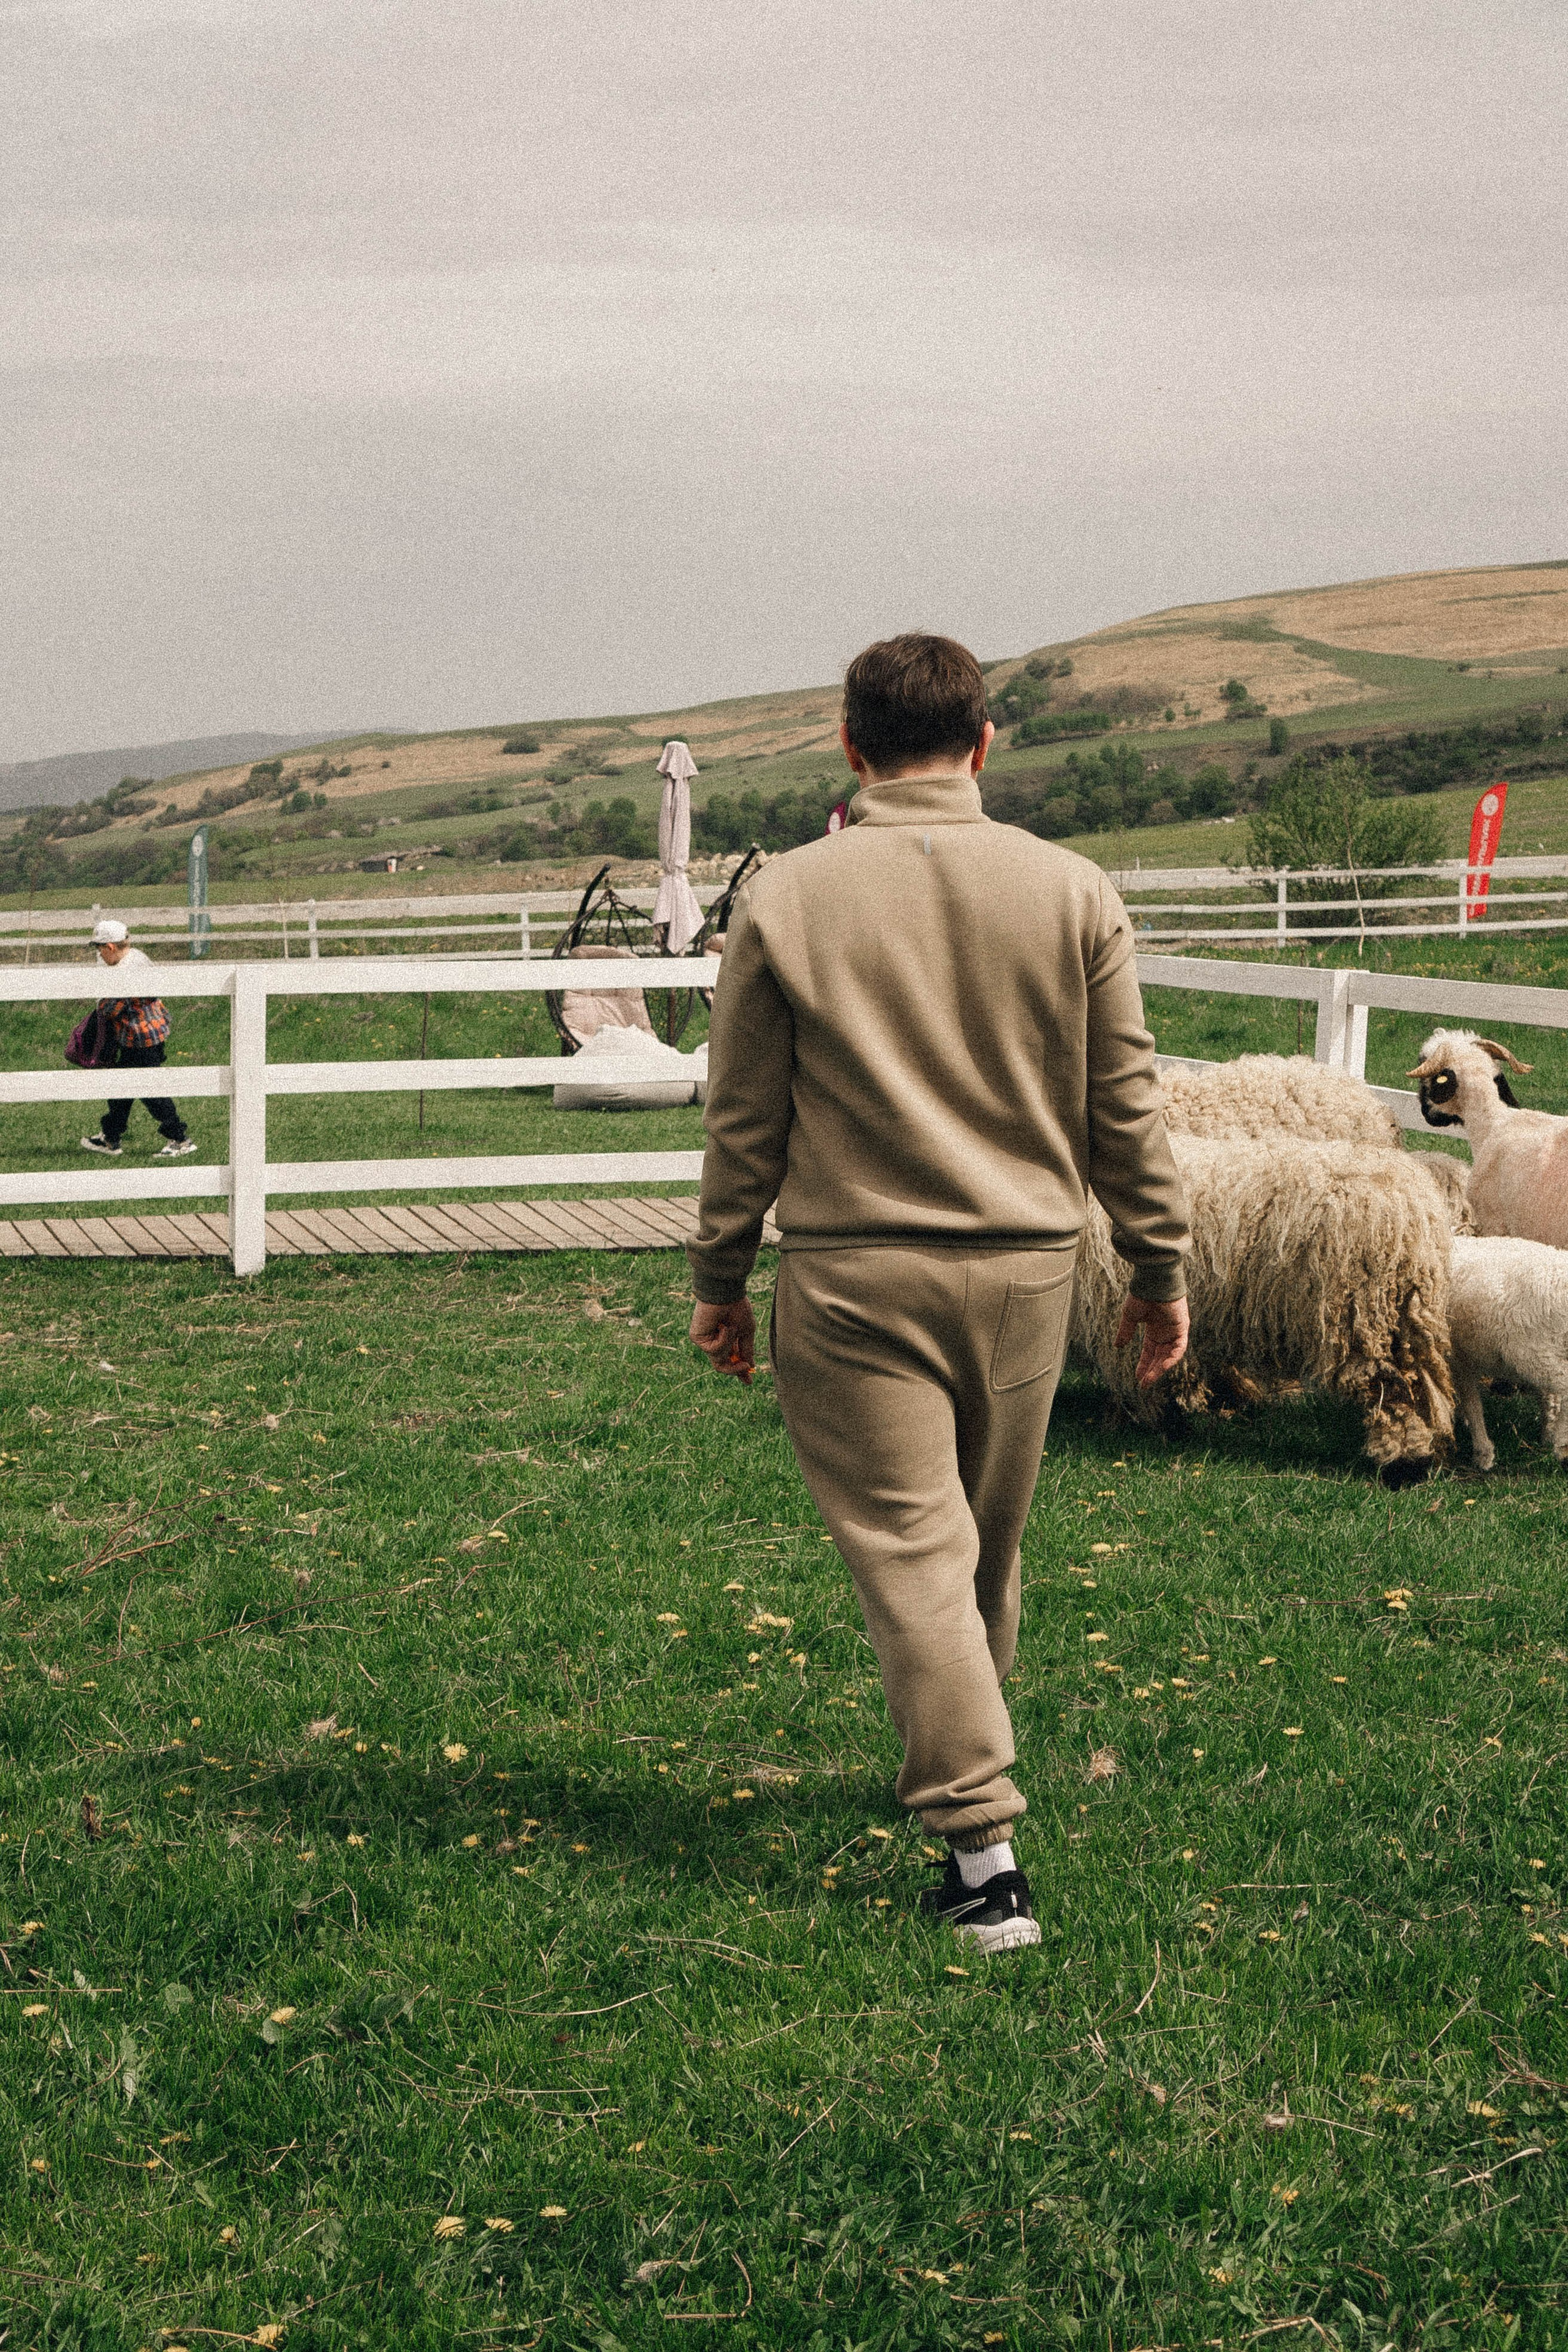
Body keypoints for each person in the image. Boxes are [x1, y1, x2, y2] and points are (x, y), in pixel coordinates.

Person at [687, 633, 1191, 1954]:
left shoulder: (786, 898)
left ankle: (983, 1857)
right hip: (1028, 1271)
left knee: (915, 1554)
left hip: (856, 1276)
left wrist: (719, 1277)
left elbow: (743, 1118)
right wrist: (1156, 1269)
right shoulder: (1071, 889)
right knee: (977, 1549)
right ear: (982, 743)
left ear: (850, 748)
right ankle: (959, 1760)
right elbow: (1124, 1109)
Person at [80, 919, 197, 1158]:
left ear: (110, 947)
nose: (99, 955)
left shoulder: (124, 973)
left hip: (141, 1039)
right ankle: (110, 1137)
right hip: (148, 1035)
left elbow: (111, 1008)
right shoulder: (137, 957)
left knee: (149, 1090)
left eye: (100, 949)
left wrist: (99, 1008)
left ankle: (179, 1139)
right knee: (122, 1086)